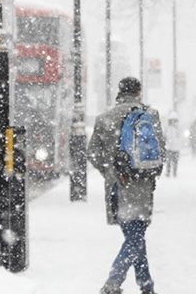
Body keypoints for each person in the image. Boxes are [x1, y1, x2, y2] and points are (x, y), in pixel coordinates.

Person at [88, 77, 166, 294]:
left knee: (133, 236)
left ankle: (144, 285)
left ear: (119, 92)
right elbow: (162, 151)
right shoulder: (150, 115)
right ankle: (116, 283)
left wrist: (110, 172)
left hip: (117, 187)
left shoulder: (104, 118)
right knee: (136, 236)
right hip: (143, 187)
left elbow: (92, 152)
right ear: (138, 92)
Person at [165, 111, 182, 176]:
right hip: (170, 147)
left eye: (174, 121)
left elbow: (179, 138)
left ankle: (174, 172)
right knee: (169, 161)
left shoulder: (178, 129)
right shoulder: (168, 128)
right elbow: (167, 137)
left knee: (175, 161)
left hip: (175, 147)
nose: (173, 122)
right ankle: (168, 172)